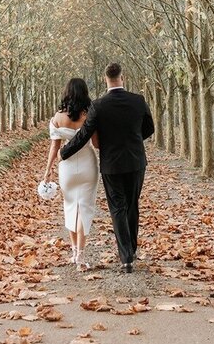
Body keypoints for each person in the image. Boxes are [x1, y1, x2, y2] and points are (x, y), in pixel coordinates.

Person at [59, 62, 154, 274]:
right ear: (123, 77)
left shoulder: (98, 106)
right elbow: (149, 128)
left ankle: (126, 257)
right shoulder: (138, 101)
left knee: (118, 208)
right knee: (132, 205)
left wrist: (64, 153)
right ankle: (132, 249)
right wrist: (135, 140)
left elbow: (84, 134)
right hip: (136, 161)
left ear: (105, 79)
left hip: (111, 164)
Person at [40, 78, 101, 270]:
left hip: (65, 166)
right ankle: (81, 257)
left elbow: (54, 147)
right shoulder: (89, 115)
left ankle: (74, 252)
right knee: (84, 208)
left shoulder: (57, 117)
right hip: (88, 164)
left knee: (70, 207)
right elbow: (97, 143)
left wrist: (47, 170)